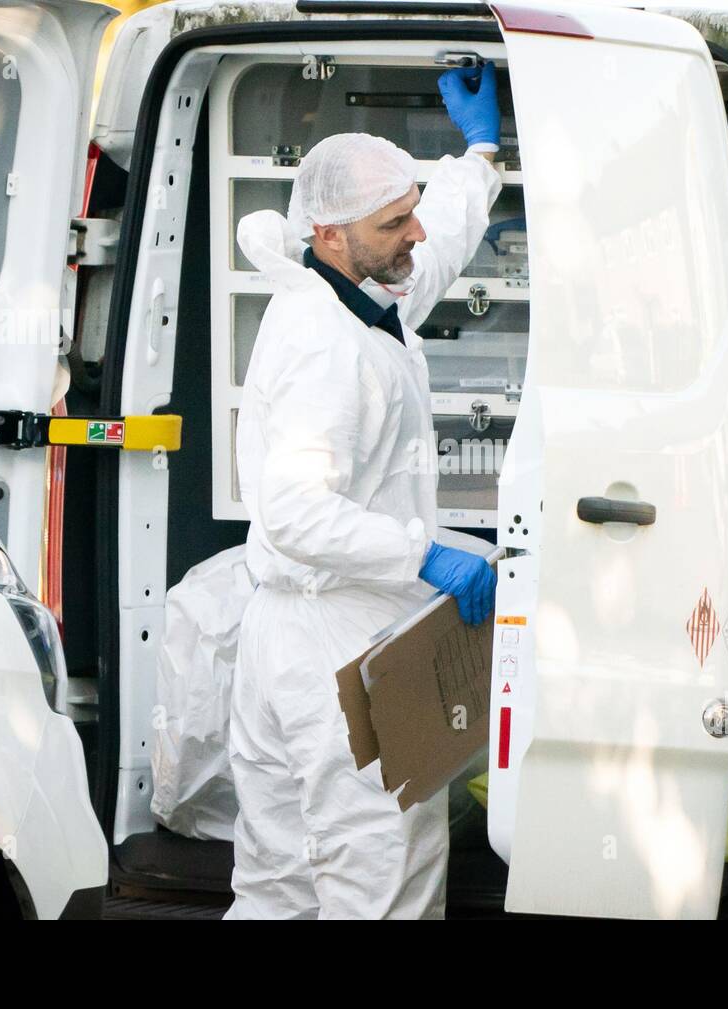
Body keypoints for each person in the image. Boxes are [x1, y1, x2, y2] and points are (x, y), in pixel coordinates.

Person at [223, 64, 503, 919]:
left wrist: (480, 153)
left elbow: (437, 243)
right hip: (333, 646)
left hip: (289, 641)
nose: (414, 231)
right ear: (331, 231)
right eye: (394, 220)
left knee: (279, 886)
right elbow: (297, 511)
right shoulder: (324, 347)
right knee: (382, 877)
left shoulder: (358, 291)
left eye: (412, 206)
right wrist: (426, 555)